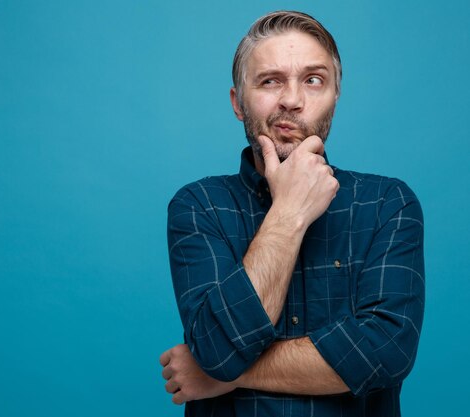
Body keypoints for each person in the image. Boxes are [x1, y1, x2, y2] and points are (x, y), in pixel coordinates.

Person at [159, 10, 424, 417]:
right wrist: (289, 211)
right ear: (238, 102)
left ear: (335, 95)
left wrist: (224, 374)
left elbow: (384, 352)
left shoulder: (389, 203)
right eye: (270, 81)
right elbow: (216, 346)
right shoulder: (198, 206)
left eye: (313, 80)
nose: (292, 100)